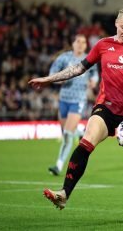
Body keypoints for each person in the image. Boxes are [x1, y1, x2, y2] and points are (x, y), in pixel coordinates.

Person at [29, 6, 123, 223]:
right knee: (86, 140)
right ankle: (64, 194)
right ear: (116, 24)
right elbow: (79, 68)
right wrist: (48, 79)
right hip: (106, 106)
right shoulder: (102, 45)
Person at [47, 34, 98, 176]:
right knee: (65, 132)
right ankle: (80, 133)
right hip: (64, 99)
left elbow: (94, 74)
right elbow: (52, 73)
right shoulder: (64, 58)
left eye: (83, 42)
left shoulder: (89, 59)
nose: (81, 44)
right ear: (73, 43)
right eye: (78, 41)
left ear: (86, 45)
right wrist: (59, 80)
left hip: (78, 100)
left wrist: (93, 81)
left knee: (68, 135)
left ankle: (58, 165)